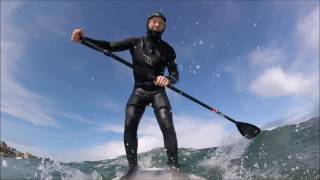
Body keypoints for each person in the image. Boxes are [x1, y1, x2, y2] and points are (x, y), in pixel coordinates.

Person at [71, 12, 180, 179]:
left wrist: (168, 79)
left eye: (160, 23)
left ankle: (173, 168)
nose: (157, 25)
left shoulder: (168, 50)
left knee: (168, 126)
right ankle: (132, 168)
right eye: (154, 22)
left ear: (164, 27)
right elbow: (109, 45)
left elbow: (175, 75)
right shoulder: (135, 42)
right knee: (129, 126)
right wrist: (85, 39)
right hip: (139, 90)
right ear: (148, 24)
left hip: (158, 92)